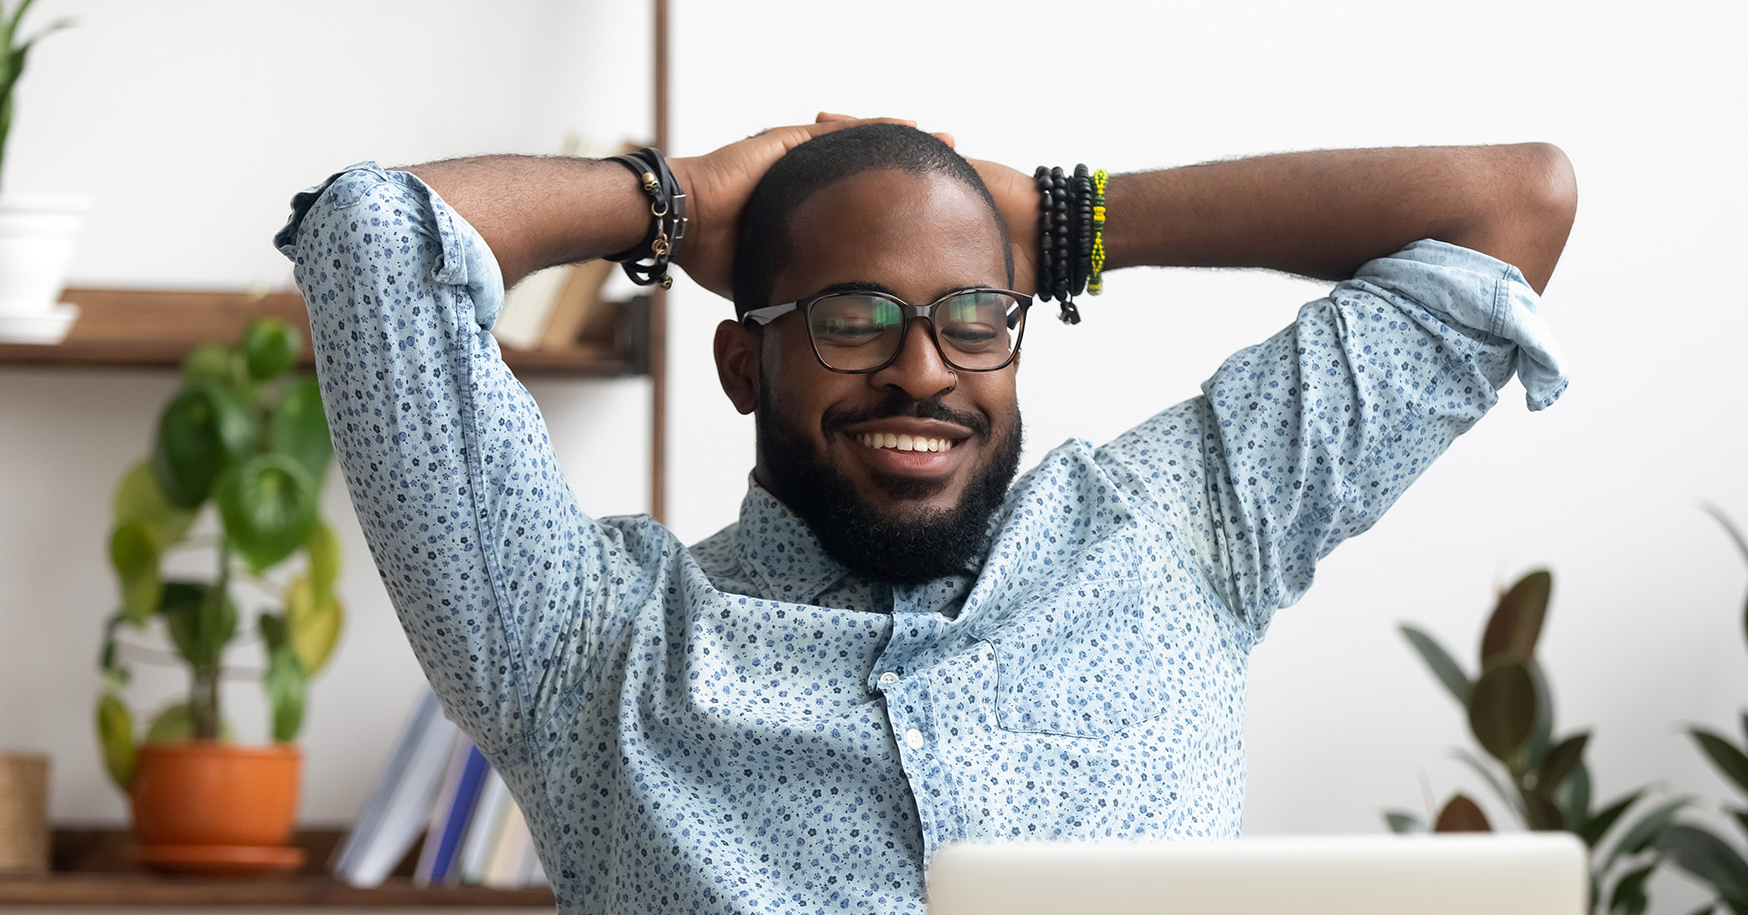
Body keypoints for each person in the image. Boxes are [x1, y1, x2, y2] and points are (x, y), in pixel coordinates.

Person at [275, 113, 1575, 914]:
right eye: (852, 319)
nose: (924, 368)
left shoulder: (1182, 528)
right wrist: (674, 205)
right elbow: (374, 239)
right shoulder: (585, 645)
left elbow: (1510, 207)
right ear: (744, 365)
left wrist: (1061, 222)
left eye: (973, 318)